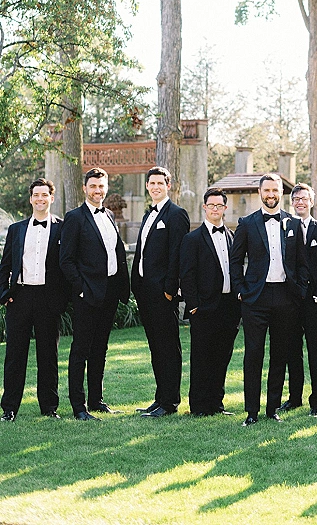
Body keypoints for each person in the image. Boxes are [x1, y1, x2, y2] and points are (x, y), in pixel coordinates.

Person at [230, 173, 308, 425]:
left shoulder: (293, 223)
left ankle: (272, 408)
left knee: (280, 354)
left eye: (275, 190)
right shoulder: (247, 223)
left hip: (286, 297)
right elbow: (235, 260)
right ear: (260, 193)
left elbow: (301, 262)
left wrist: (299, 289)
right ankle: (251, 412)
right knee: (253, 354)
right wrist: (241, 288)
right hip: (256, 298)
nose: (271, 194)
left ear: (281, 193)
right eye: (267, 191)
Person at [60, 167, 130, 420]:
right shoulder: (75, 217)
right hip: (87, 294)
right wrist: (80, 288)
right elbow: (66, 260)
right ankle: (79, 407)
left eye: (101, 186)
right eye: (93, 186)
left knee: (100, 347)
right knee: (81, 350)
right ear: (84, 188)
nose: (97, 191)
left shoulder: (109, 214)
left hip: (109, 292)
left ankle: (96, 400)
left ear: (106, 188)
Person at [0, 178, 69, 421]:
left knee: (48, 355)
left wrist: (63, 299)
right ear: (30, 199)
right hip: (20, 297)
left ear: (52, 198)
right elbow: (5, 264)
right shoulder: (16, 229)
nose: (40, 199)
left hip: (48, 299)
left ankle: (49, 408)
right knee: (15, 355)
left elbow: (67, 265)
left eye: (44, 195)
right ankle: (9, 408)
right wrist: (4, 294)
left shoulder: (62, 228)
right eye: (36, 195)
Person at [131, 166, 190, 418]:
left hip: (163, 293)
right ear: (147, 186)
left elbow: (178, 254)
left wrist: (169, 289)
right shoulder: (148, 215)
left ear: (168, 185)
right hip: (145, 292)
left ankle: (170, 402)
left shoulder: (177, 214)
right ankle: (159, 398)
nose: (155, 187)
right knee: (156, 347)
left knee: (167, 347)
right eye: (151, 183)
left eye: (160, 183)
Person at [180, 188, 240, 417]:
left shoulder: (232, 236)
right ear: (204, 208)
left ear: (225, 208)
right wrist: (193, 305)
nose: (215, 209)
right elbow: (186, 275)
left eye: (219, 205)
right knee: (202, 358)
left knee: (222, 358)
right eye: (211, 205)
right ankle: (198, 406)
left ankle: (216, 404)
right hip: (204, 308)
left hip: (229, 308)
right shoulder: (192, 239)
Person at [279, 183, 317, 418]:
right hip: (290, 301)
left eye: (304, 199)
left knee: (315, 351)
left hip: (314, 300)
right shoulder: (284, 228)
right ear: (292, 202)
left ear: (312, 202)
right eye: (296, 199)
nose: (300, 202)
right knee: (293, 351)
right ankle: (294, 398)